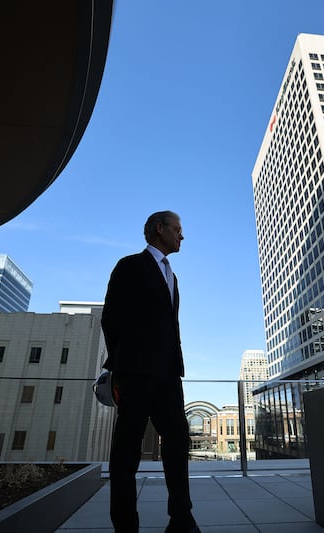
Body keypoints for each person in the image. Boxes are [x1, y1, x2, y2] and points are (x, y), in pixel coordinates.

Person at [100, 211, 200, 533]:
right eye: (177, 229)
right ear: (160, 229)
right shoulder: (129, 266)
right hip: (135, 373)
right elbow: (111, 318)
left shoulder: (173, 276)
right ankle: (126, 526)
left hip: (168, 375)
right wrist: (122, 364)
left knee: (178, 439)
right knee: (127, 451)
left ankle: (181, 519)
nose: (181, 236)